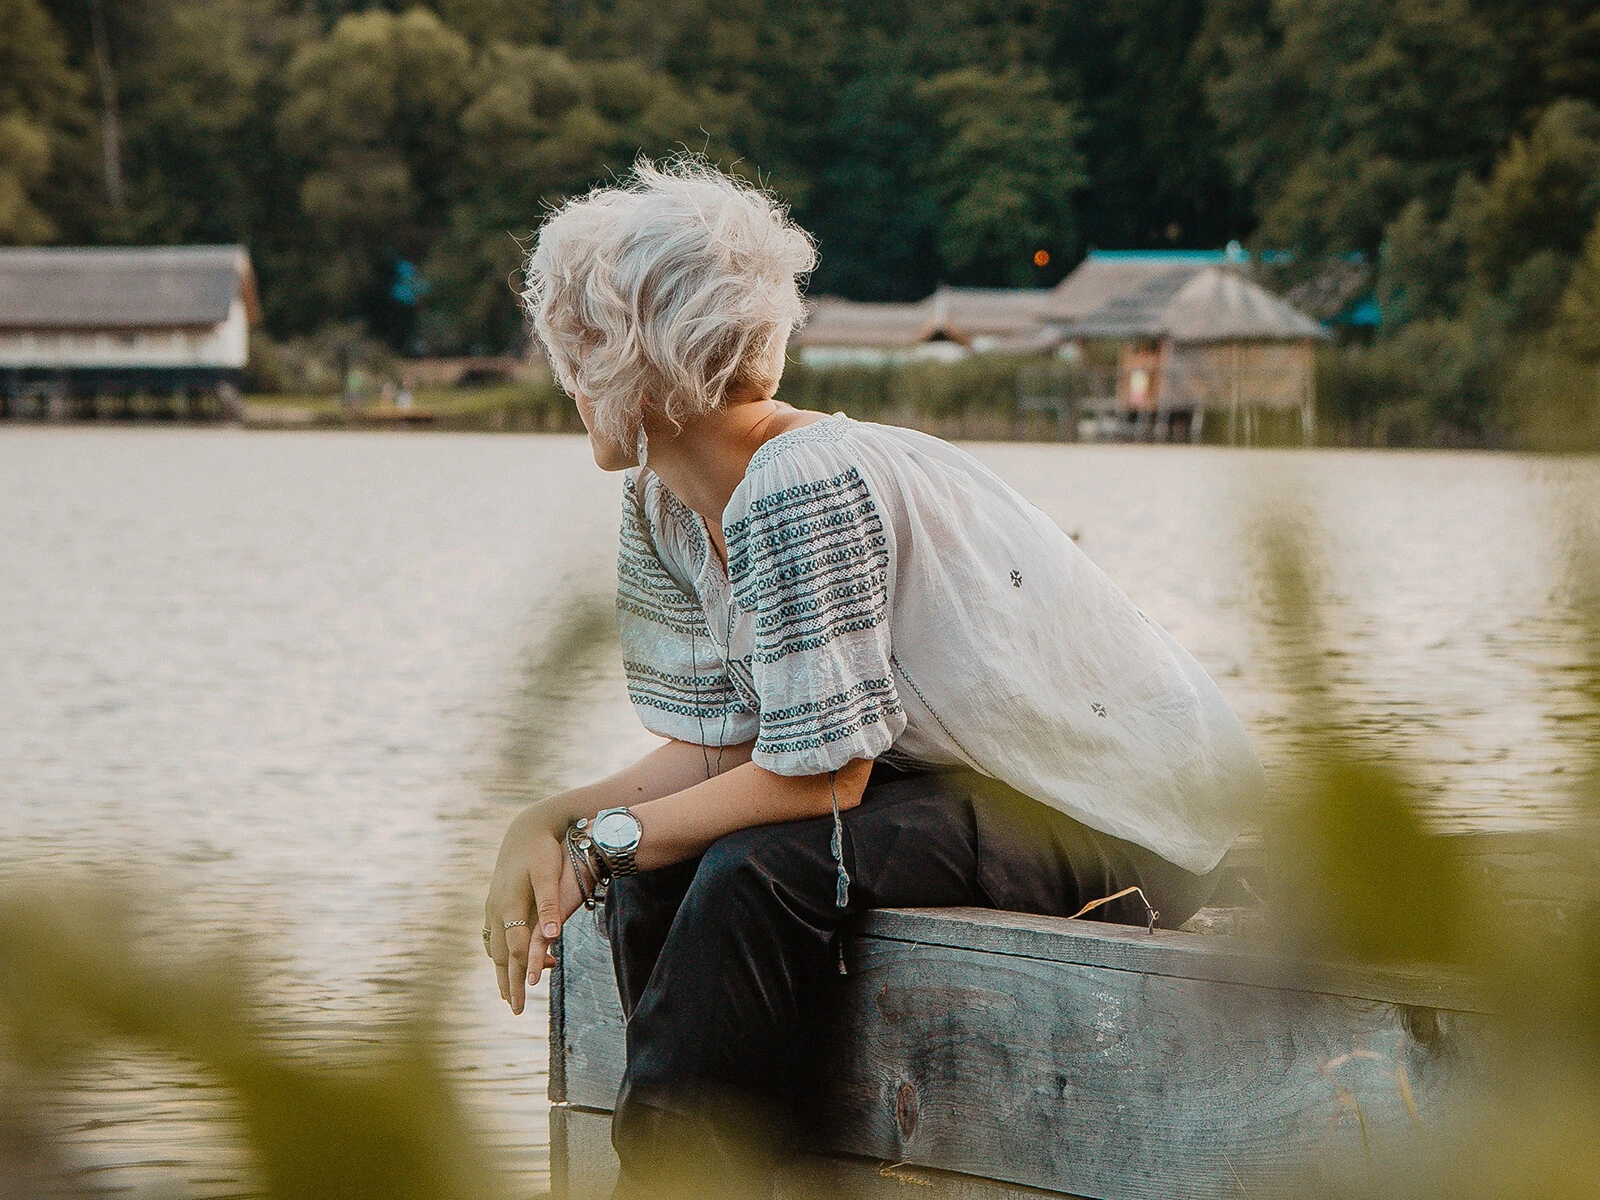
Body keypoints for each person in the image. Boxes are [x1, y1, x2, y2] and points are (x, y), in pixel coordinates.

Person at [484, 158, 1266, 1199]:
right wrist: (546, 819)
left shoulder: (803, 482)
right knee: (671, 872)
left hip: (1129, 824)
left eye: (579, 350)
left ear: (647, 366)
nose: (567, 378)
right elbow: (726, 745)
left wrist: (602, 842)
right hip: (961, 791)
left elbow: (822, 780)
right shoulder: (664, 508)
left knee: (753, 868)